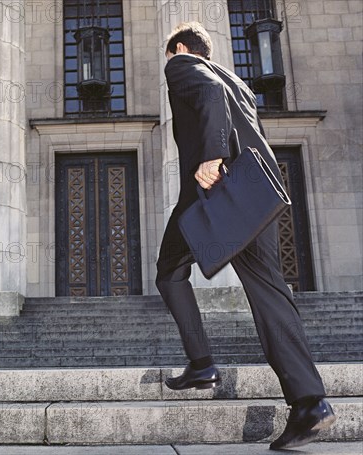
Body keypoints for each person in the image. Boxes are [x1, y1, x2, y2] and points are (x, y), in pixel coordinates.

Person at [157, 22, 336, 450]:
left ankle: (201, 364)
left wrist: (213, 156)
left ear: (181, 49)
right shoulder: (236, 79)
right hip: (255, 194)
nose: (171, 65)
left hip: (215, 194)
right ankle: (310, 402)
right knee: (271, 293)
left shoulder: (183, 64)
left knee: (169, 273)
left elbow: (209, 98)